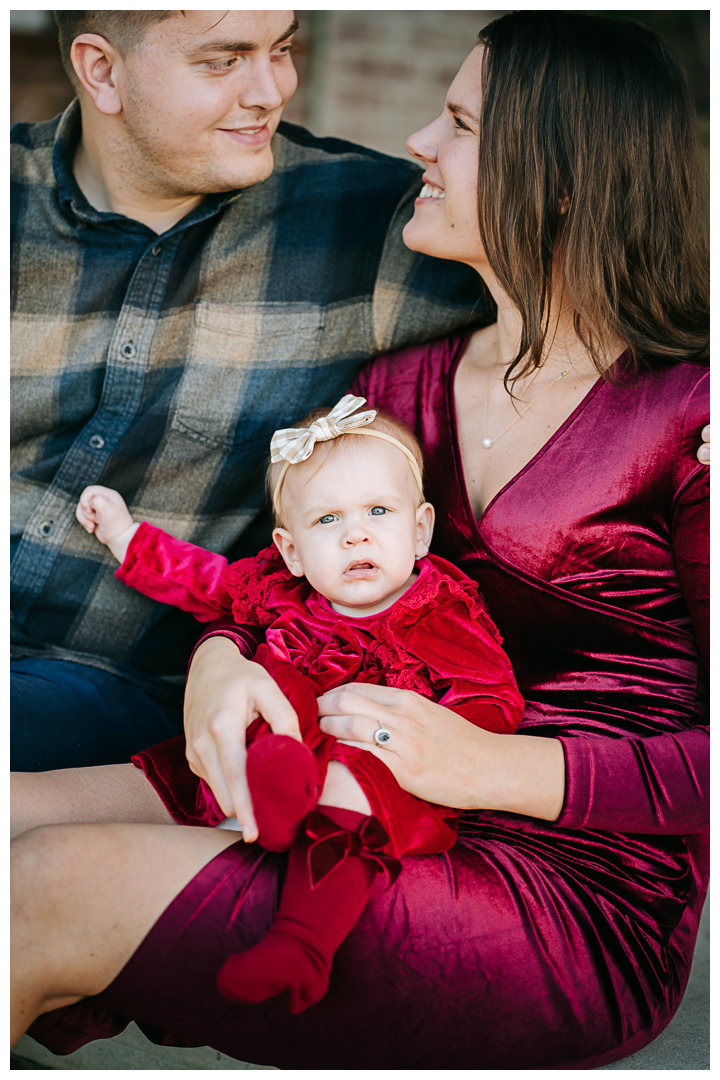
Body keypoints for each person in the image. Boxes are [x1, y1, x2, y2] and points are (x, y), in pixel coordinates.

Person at [11, 12, 709, 1069]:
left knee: (39, 894)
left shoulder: (689, 421)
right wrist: (219, 661)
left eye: (462, 123)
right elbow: (273, 575)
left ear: (563, 179)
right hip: (334, 760)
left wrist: (495, 766)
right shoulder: (399, 391)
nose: (420, 143)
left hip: (557, 874)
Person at [10, 9, 488, 773]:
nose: (271, 90)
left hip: (125, 684)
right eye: (223, 61)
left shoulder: (366, 222)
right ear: (102, 70)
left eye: (283, 49)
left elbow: (598, 280)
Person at [60, 395, 522, 1014]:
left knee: (351, 775)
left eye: (378, 512)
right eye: (327, 520)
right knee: (276, 690)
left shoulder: (440, 612)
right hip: (268, 757)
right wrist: (125, 535)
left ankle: (301, 944)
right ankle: (278, 788)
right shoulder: (279, 592)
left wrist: (438, 743)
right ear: (292, 549)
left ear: (419, 531)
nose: (356, 532)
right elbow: (205, 581)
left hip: (377, 779)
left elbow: (491, 699)